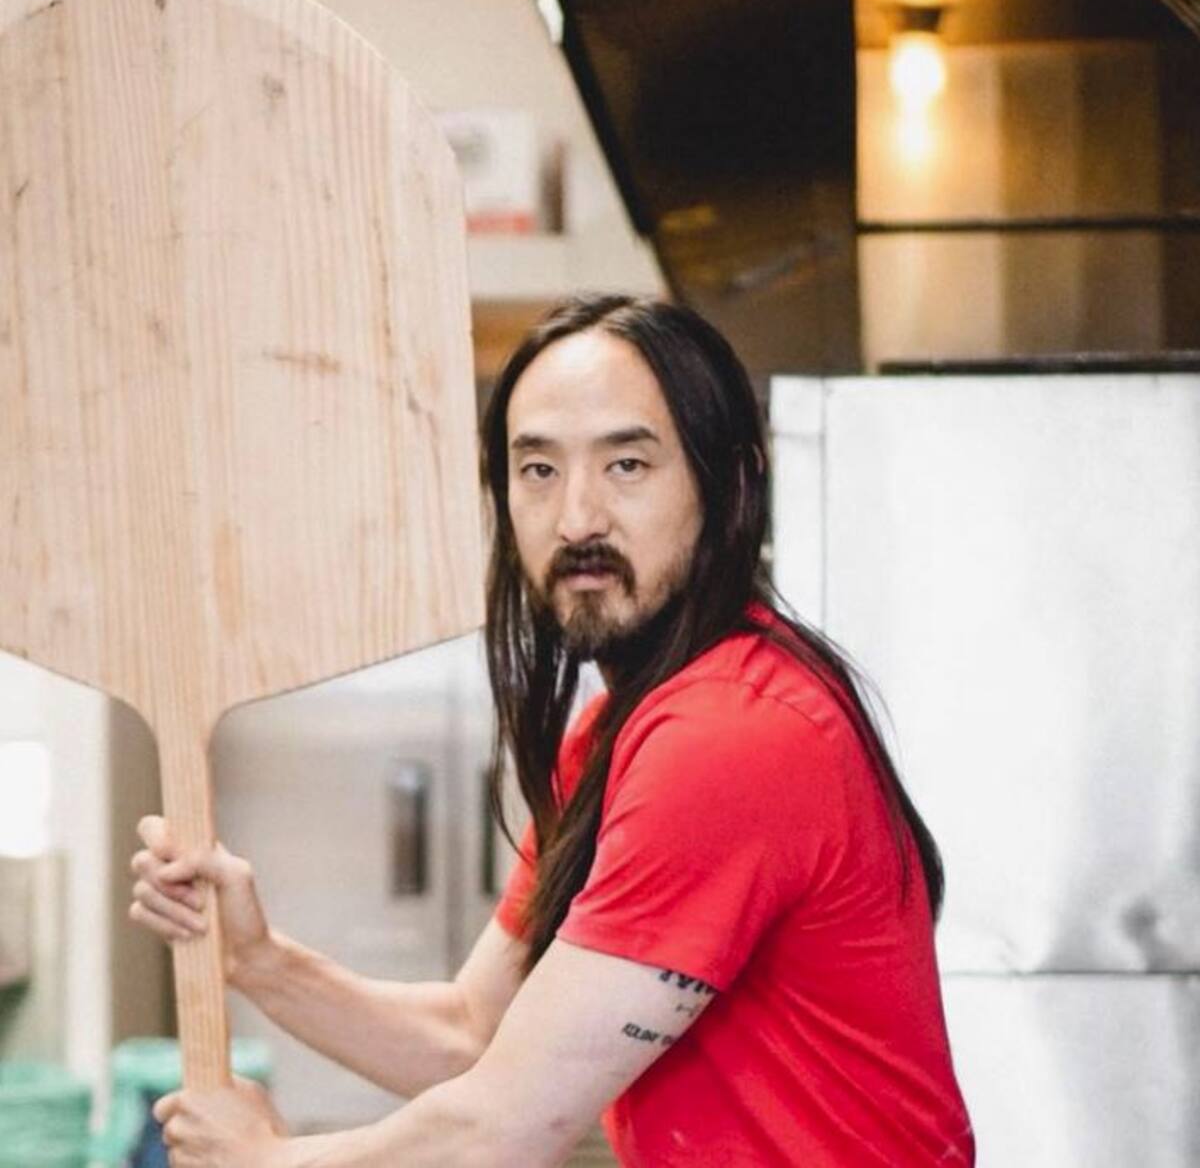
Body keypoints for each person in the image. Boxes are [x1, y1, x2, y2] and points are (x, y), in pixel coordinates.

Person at [130, 294, 975, 1166]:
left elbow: (503, 1127)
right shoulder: (622, 732)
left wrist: (268, 1161)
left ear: (730, 483)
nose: (576, 520)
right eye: (538, 470)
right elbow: (474, 1037)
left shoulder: (730, 735)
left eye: (627, 465)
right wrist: (259, 959)